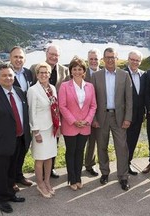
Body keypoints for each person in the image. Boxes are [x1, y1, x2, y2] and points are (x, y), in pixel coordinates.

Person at [91, 47, 133, 191]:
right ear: (103, 59)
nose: (110, 60)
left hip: (119, 117)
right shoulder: (96, 76)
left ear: (117, 58)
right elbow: (92, 99)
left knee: (121, 147)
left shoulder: (124, 75)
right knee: (102, 146)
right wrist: (94, 118)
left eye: (113, 57)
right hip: (101, 117)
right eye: (107, 57)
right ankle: (105, 173)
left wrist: (128, 118)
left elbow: (129, 99)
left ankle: (123, 176)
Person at [30, 44, 70, 178]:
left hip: (55, 116)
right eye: (51, 54)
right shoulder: (35, 68)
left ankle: (50, 168)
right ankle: (40, 177)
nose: (53, 57)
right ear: (46, 53)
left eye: (56, 55)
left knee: (53, 145)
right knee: (40, 151)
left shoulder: (65, 71)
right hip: (40, 115)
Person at [58, 56, 97, 191]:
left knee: (80, 152)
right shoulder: (64, 86)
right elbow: (62, 106)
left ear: (84, 71)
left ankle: (78, 177)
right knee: (71, 152)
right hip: (70, 125)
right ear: (70, 71)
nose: (77, 72)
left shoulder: (90, 87)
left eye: (80, 69)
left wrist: (86, 121)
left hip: (85, 126)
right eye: (74, 69)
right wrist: (74, 121)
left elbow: (93, 106)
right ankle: (71, 179)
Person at [0, 63, 30, 213]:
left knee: (13, 169)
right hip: (1, 141)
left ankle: (10, 193)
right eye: (4, 75)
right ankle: (1, 199)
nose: (8, 78)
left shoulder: (19, 91)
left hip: (19, 138)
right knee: (1, 172)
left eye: (10, 75)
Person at [27, 62, 59, 198]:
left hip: (51, 128)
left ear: (49, 74)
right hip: (40, 130)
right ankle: (40, 184)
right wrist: (36, 132)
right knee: (40, 159)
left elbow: (56, 108)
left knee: (49, 157)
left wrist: (58, 127)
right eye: (41, 72)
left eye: (46, 72)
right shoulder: (33, 90)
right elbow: (31, 112)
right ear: (37, 74)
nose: (43, 75)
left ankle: (47, 181)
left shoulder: (52, 88)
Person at [9, 46, 34, 190]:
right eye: (15, 57)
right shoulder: (6, 73)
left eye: (21, 57)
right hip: (12, 119)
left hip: (26, 118)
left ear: (24, 59)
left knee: (24, 147)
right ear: (10, 58)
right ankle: (10, 179)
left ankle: (19, 174)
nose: (18, 60)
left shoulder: (29, 73)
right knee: (12, 150)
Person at [124, 50, 146, 175]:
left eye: (137, 60)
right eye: (132, 59)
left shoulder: (143, 75)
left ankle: (128, 163)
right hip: (125, 115)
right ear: (128, 59)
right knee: (123, 142)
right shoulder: (121, 73)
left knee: (133, 141)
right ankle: (122, 165)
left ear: (140, 62)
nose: (134, 62)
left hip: (138, 116)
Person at [84, 48, 101, 177]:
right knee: (79, 143)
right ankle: (75, 165)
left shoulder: (104, 74)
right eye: (91, 59)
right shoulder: (82, 74)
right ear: (87, 60)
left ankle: (89, 164)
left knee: (93, 141)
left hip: (99, 114)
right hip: (82, 114)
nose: (94, 61)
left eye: (96, 59)